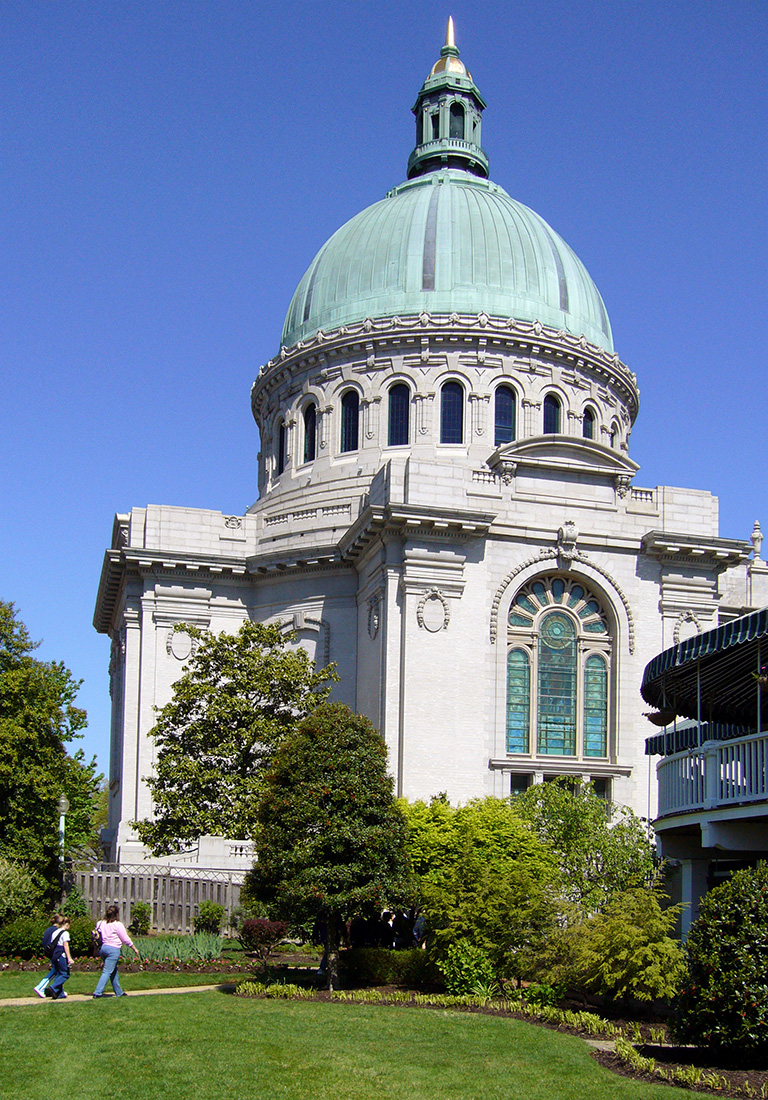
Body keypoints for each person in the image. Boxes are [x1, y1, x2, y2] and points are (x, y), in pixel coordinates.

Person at [92, 904, 142, 998]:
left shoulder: (100, 923)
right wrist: (134, 948)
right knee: (107, 971)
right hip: (113, 949)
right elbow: (125, 939)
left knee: (113, 971)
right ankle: (97, 992)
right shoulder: (117, 925)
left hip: (103, 948)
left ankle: (119, 992)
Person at [34, 913, 64, 997]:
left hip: (48, 952)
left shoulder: (48, 929)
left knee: (58, 971)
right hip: (54, 953)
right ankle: (40, 987)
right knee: (55, 971)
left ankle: (59, 991)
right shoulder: (56, 931)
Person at [47, 917, 74, 1000]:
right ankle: (53, 987)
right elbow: (66, 946)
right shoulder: (65, 933)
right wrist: (69, 958)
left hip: (55, 954)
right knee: (65, 974)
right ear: (66, 924)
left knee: (59, 974)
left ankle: (58, 993)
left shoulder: (55, 932)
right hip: (61, 954)